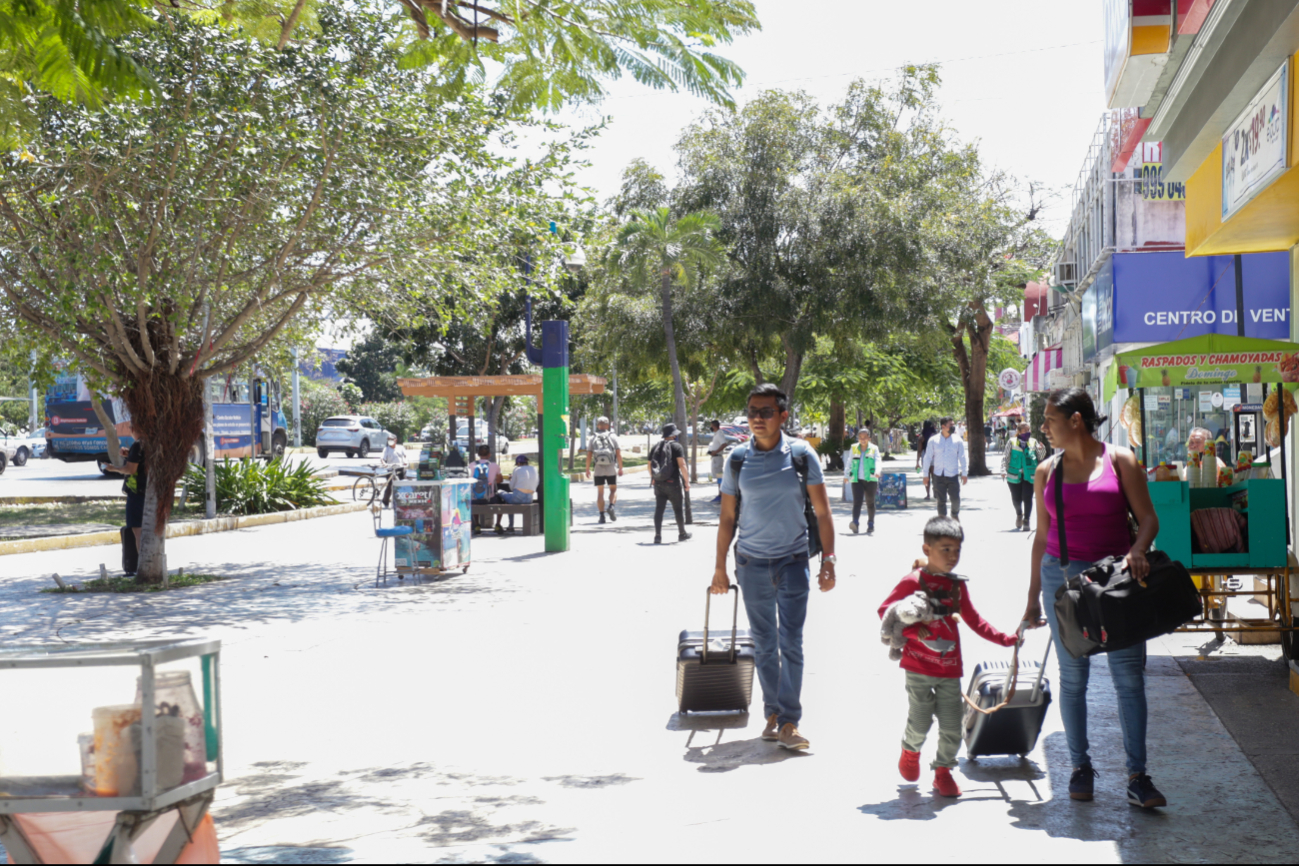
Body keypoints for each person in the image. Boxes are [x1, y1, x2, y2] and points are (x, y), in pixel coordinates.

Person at [1023, 387, 1166, 809]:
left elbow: (1149, 519)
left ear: (1076, 421)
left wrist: (1137, 550)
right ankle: (1079, 768)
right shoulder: (1045, 471)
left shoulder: (1120, 461)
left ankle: (1138, 776)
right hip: (1063, 581)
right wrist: (1032, 597)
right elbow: (1042, 537)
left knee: (1128, 678)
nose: (1043, 426)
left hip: (1116, 583)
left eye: (1050, 418)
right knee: (1074, 679)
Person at [713, 384, 837, 751]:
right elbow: (726, 518)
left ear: (783, 416)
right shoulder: (737, 459)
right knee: (765, 644)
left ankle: (789, 721)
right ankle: (772, 714)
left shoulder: (801, 455)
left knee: (791, 642)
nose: (757, 418)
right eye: (752, 411)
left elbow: (823, 511)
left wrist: (828, 560)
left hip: (793, 560)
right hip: (750, 563)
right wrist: (719, 567)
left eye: (766, 412)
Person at [879, 516, 1018, 798]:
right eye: (945, 549)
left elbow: (974, 620)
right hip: (917, 668)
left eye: (957, 550)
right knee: (920, 722)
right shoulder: (911, 582)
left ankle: (943, 771)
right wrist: (916, 634)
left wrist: (1005, 639)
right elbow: (886, 613)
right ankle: (910, 750)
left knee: (953, 726)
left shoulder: (957, 586)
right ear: (927, 549)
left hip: (949, 669)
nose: (952, 556)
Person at [105, 439, 147, 573]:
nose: (129, 429)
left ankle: (142, 567)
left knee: (138, 531)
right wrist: (129, 455)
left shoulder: (138, 445)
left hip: (136, 493)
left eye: (131, 427)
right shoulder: (153, 442)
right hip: (150, 493)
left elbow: (130, 469)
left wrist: (113, 468)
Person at [1001, 422, 1047, 531]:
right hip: (1014, 475)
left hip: (1029, 476)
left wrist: (1041, 449)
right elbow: (1005, 457)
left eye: (1029, 430)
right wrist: (1003, 470)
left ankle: (1026, 520)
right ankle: (1019, 514)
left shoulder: (1033, 442)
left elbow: (1040, 456)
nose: (1028, 432)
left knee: (1028, 497)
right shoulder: (1012, 442)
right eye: (1025, 431)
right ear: (1019, 432)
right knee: (1016, 498)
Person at [649, 424, 690, 543]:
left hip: (659, 483)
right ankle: (682, 533)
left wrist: (653, 477)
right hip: (673, 483)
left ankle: (657, 536)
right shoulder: (677, 446)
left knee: (659, 509)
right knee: (677, 509)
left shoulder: (656, 446)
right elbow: (682, 465)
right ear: (673, 435)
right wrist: (687, 482)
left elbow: (649, 465)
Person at [921, 417, 967, 519]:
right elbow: (927, 458)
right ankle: (943, 521)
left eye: (953, 424)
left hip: (953, 475)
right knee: (941, 501)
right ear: (943, 426)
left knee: (955, 500)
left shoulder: (957, 440)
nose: (953, 427)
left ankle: (954, 515)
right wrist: (925, 475)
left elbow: (962, 457)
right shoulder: (933, 440)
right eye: (950, 425)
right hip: (938, 475)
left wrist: (964, 473)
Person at [585, 416, 623, 524]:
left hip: (598, 468)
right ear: (607, 425)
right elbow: (618, 454)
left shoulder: (593, 438)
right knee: (613, 489)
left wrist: (587, 469)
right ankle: (611, 506)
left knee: (600, 492)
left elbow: (589, 455)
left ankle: (602, 516)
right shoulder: (613, 437)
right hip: (610, 466)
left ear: (598, 425)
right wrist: (620, 468)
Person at [847, 427, 881, 535]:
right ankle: (855, 523)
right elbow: (849, 462)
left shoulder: (874, 448)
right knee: (857, 502)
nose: (862, 439)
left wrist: (877, 471)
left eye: (865, 437)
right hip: (857, 479)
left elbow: (878, 461)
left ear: (869, 438)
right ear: (858, 438)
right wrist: (845, 475)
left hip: (871, 479)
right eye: (860, 437)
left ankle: (871, 523)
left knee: (870, 502)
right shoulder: (853, 448)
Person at [492, 454, 537, 533]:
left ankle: (509, 525)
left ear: (518, 463)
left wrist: (511, 479)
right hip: (530, 498)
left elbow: (511, 487)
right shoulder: (534, 469)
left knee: (500, 492)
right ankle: (509, 525)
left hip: (517, 498)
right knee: (509, 500)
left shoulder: (517, 469)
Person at [706, 419, 741, 503]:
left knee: (719, 476)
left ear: (714, 426)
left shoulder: (719, 434)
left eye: (711, 426)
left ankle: (721, 495)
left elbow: (724, 444)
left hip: (717, 457)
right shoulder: (716, 434)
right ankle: (720, 494)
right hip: (715, 457)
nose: (710, 427)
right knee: (718, 476)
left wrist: (715, 451)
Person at [470, 445, 500, 535]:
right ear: (489, 454)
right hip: (490, 499)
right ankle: (498, 524)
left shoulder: (471, 465)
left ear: (478, 454)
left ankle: (477, 524)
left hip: (475, 499)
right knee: (501, 500)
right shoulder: (494, 465)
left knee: (474, 497)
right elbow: (500, 480)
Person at [379, 433, 408, 508]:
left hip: (400, 468)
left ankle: (403, 502)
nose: (390, 441)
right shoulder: (386, 449)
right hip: (391, 469)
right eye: (389, 440)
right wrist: (384, 464)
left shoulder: (401, 448)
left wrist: (405, 461)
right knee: (390, 486)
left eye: (391, 440)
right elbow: (382, 459)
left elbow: (405, 456)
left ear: (395, 440)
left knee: (403, 485)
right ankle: (385, 501)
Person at [915, 421, 937, 501]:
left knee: (926, 476)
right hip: (935, 456)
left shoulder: (922, 437)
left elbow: (919, 451)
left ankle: (928, 494)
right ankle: (936, 492)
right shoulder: (936, 436)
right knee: (935, 476)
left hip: (925, 456)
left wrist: (917, 462)